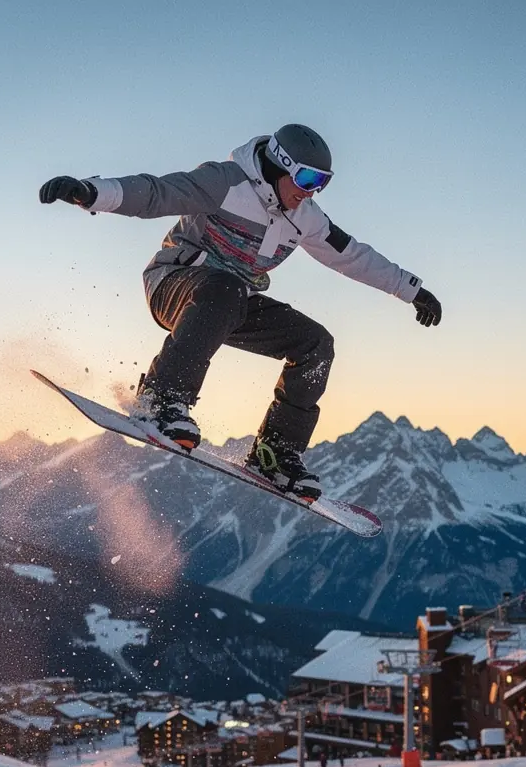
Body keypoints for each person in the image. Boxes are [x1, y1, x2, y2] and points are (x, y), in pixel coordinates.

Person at [39, 124, 442, 498]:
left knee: (316, 344)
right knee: (225, 288)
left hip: (232, 304)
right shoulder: (225, 182)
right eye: (306, 179)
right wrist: (91, 192)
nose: (311, 192)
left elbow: (351, 255)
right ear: (279, 165)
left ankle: (275, 453)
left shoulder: (306, 218)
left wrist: (412, 290)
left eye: (322, 183)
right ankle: (161, 400)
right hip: (176, 285)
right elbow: (157, 192)